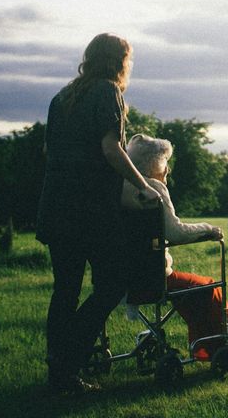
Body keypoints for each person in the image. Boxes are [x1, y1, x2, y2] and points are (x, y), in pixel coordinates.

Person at [36, 33, 161, 394]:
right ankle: (69, 360)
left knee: (66, 291)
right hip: (89, 210)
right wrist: (143, 184)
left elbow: (50, 150)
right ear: (120, 61)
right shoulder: (108, 92)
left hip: (56, 206)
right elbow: (111, 149)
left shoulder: (62, 98)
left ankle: (59, 371)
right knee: (112, 285)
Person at [121, 134, 228, 365]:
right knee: (208, 287)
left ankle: (206, 350)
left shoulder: (120, 188)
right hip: (152, 278)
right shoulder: (153, 188)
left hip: (122, 277)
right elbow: (176, 232)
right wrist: (209, 229)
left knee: (192, 291)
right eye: (165, 164)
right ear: (155, 165)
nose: (168, 170)